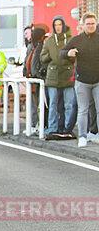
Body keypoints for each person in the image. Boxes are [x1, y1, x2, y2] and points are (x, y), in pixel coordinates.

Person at [60, 13, 99, 147]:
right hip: (82, 81)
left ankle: (96, 134)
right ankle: (82, 136)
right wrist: (68, 53)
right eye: (88, 24)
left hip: (98, 81)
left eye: (93, 24)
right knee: (83, 110)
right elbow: (61, 53)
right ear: (83, 26)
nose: (91, 26)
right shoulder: (77, 40)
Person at [40, 16, 76, 139]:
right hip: (53, 75)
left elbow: (74, 56)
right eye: (56, 25)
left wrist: (68, 56)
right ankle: (53, 128)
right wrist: (51, 57)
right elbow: (42, 57)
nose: (58, 27)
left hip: (67, 74)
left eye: (60, 25)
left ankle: (67, 128)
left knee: (69, 104)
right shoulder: (49, 41)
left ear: (64, 26)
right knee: (53, 104)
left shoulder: (71, 39)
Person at [24, 26, 47, 129]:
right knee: (35, 103)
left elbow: (37, 63)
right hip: (33, 79)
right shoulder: (33, 46)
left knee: (40, 103)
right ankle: (36, 124)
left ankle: (40, 125)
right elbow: (28, 61)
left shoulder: (40, 46)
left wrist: (37, 75)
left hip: (38, 80)